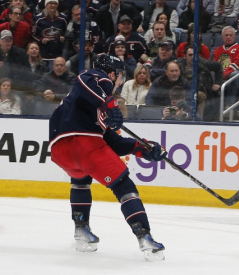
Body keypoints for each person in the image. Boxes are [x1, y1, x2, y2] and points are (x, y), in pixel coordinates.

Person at [49, 54, 166, 261]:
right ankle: (145, 237)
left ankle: (81, 231)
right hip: (84, 144)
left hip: (61, 151)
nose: (119, 82)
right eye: (119, 76)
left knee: (81, 179)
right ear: (112, 73)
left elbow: (113, 142)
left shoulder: (84, 103)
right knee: (123, 186)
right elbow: (86, 79)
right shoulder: (98, 78)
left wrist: (143, 148)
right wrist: (109, 104)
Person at [176, 45, 222, 118]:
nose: (192, 57)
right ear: (185, 56)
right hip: (184, 92)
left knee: (199, 95)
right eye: (190, 55)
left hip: (201, 92)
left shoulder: (204, 63)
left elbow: (219, 66)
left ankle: (198, 120)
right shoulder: (179, 65)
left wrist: (218, 83)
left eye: (194, 55)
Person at [213, 26, 239, 108]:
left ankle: (229, 104)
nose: (228, 37)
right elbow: (214, 65)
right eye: (226, 35)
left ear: (234, 36)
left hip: (236, 75)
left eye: (230, 35)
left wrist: (225, 73)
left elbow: (237, 64)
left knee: (234, 74)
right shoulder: (218, 50)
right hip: (221, 74)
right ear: (222, 37)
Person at [32, 0, 67, 67]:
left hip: (57, 53)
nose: (53, 5)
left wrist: (63, 37)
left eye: (55, 3)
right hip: (42, 53)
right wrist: (41, 40)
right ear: (46, 5)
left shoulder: (63, 18)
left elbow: (66, 33)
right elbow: (33, 34)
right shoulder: (38, 18)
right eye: (50, 3)